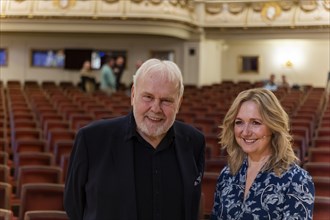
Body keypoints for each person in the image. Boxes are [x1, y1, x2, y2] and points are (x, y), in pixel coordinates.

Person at [64, 58, 206, 220]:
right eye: (148, 97)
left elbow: (191, 207)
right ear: (133, 95)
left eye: (166, 100)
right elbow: (74, 207)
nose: (155, 108)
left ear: (179, 102)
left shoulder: (194, 142)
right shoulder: (91, 140)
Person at [210, 88, 314, 219]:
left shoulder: (297, 180)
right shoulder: (227, 174)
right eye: (239, 122)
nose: (246, 132)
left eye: (255, 123)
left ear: (273, 126)